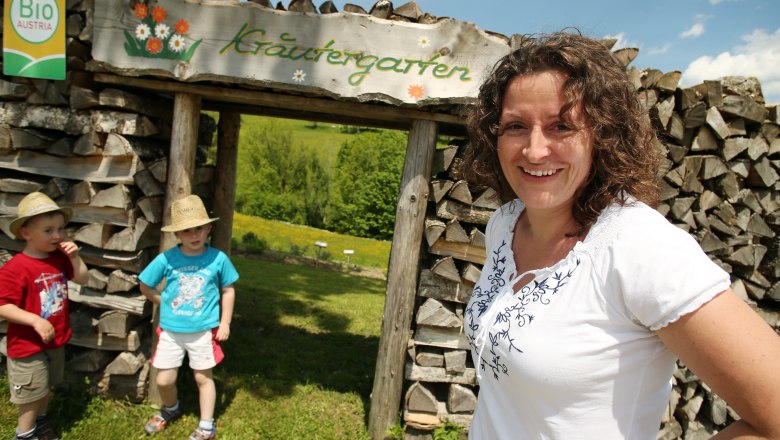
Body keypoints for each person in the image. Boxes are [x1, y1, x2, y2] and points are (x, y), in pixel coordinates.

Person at [459, 31, 780, 439]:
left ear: (602, 135)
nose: (535, 150)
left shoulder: (639, 247)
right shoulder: (504, 224)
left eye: (561, 126)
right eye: (516, 126)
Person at [139, 195, 238, 440]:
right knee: (164, 379)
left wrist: (225, 322)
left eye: (199, 229)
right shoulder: (167, 259)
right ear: (177, 234)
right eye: (186, 231)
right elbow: (145, 284)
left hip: (203, 331)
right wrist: (163, 302)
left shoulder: (218, 259)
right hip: (171, 331)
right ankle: (170, 409)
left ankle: (206, 426)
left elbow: (228, 289)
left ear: (208, 228)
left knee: (203, 377)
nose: (194, 235)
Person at [0, 192, 89, 440]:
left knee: (44, 386)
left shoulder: (59, 257)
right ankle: (24, 433)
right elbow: (2, 305)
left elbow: (82, 278)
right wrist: (35, 320)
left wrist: (75, 257)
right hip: (27, 345)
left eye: (61, 229)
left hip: (54, 339)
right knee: (30, 393)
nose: (58, 236)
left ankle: (40, 422)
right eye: (48, 230)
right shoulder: (16, 268)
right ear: (26, 234)